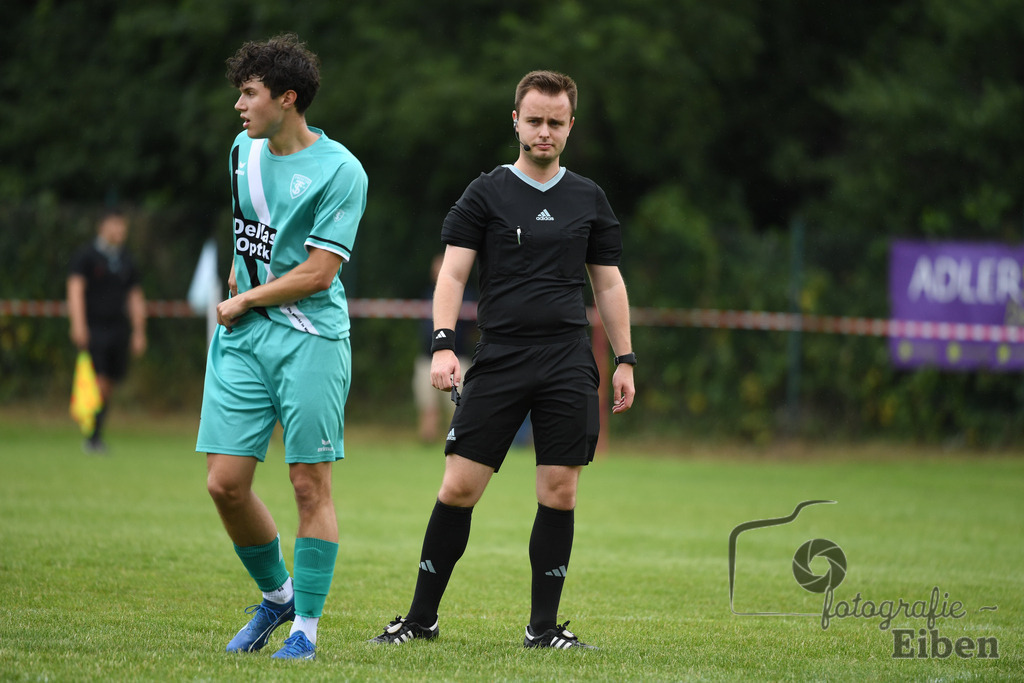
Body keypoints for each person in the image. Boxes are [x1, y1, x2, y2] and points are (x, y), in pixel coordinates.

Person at [371, 70, 636, 649]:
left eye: (556, 123)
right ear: (515, 121)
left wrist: (625, 358)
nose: (544, 132)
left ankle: (543, 629)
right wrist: (443, 344)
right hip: (500, 357)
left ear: (570, 126)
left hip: (567, 360)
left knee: (559, 491)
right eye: (534, 120)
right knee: (459, 486)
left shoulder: (588, 197)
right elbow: (454, 274)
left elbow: (609, 286)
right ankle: (419, 620)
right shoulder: (486, 192)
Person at [196, 33, 368, 661]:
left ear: (287, 99)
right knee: (224, 484)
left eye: (250, 94)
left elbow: (321, 272)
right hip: (244, 338)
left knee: (307, 485)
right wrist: (240, 291)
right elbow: (251, 240)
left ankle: (307, 631)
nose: (239, 106)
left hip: (311, 338)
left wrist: (244, 299)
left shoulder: (342, 171)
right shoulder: (242, 151)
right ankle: (277, 598)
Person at [66, 209, 147, 453]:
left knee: (109, 384)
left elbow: (135, 296)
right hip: (94, 328)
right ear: (102, 226)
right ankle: (91, 435)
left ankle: (95, 434)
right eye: (116, 225)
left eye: (124, 226)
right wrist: (78, 324)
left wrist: (139, 331)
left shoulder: (125, 259)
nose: (121, 231)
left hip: (118, 329)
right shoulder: (86, 257)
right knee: (98, 381)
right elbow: (75, 290)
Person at [414, 253, 474, 443]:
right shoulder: (426, 294)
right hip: (427, 359)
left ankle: (457, 444)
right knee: (427, 408)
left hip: (460, 357)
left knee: (458, 410)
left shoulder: (469, 296)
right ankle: (427, 445)